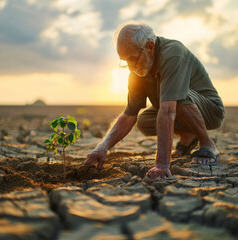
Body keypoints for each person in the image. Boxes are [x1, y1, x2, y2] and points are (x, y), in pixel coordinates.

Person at [84, 21, 225, 180]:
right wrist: (102, 147)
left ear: (150, 47)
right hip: (179, 108)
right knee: (144, 120)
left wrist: (162, 164)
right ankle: (188, 135)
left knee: (177, 98)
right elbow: (129, 116)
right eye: (125, 61)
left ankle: (207, 144)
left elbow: (168, 110)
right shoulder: (136, 72)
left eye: (132, 58)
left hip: (211, 110)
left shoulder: (173, 53)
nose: (130, 67)